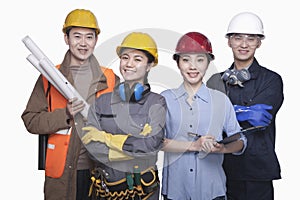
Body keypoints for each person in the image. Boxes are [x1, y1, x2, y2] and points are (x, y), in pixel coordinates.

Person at [21, 9, 120, 200]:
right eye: (77, 36)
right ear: (66, 38)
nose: (83, 43)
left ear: (96, 40)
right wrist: (65, 114)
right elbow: (30, 120)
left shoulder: (110, 78)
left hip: (101, 172)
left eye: (89, 37)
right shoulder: (49, 77)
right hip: (62, 174)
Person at [206, 12, 284, 200]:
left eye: (251, 38)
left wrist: (223, 113)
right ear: (229, 41)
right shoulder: (215, 81)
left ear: (259, 43)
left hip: (255, 171)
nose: (243, 44)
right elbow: (204, 118)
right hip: (219, 169)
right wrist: (242, 112)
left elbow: (260, 119)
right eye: (237, 37)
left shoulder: (271, 80)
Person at [161, 32, 247, 200]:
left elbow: (240, 140)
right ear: (178, 63)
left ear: (208, 62)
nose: (193, 66)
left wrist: (223, 148)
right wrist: (195, 145)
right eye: (186, 60)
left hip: (212, 191)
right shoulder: (164, 99)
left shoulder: (221, 100)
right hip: (176, 190)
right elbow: (155, 142)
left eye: (200, 60)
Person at [80, 32, 166, 200]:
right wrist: (135, 145)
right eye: (125, 57)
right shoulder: (102, 101)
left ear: (149, 66)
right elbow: (91, 147)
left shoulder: (157, 102)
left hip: (143, 194)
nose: (129, 64)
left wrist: (106, 138)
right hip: (107, 191)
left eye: (138, 59)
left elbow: (151, 145)